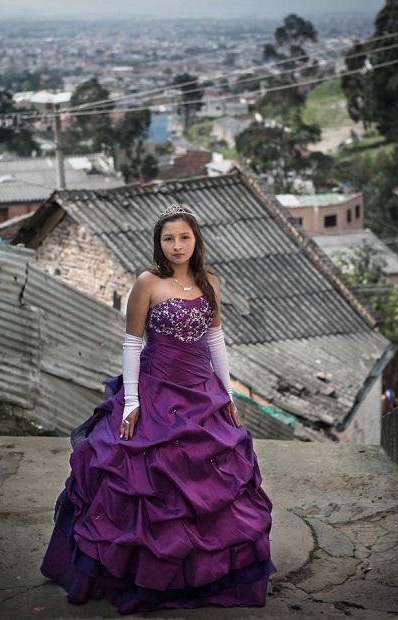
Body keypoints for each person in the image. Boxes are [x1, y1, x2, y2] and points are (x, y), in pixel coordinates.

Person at [40, 203, 276, 614]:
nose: (177, 245)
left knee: (212, 482)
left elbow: (216, 340)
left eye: (184, 237)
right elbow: (132, 343)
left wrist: (229, 395)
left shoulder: (210, 282)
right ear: (159, 243)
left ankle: (206, 575)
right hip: (155, 390)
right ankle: (142, 574)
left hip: (201, 391)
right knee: (142, 477)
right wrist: (131, 402)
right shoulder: (147, 283)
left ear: (196, 240)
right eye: (169, 238)